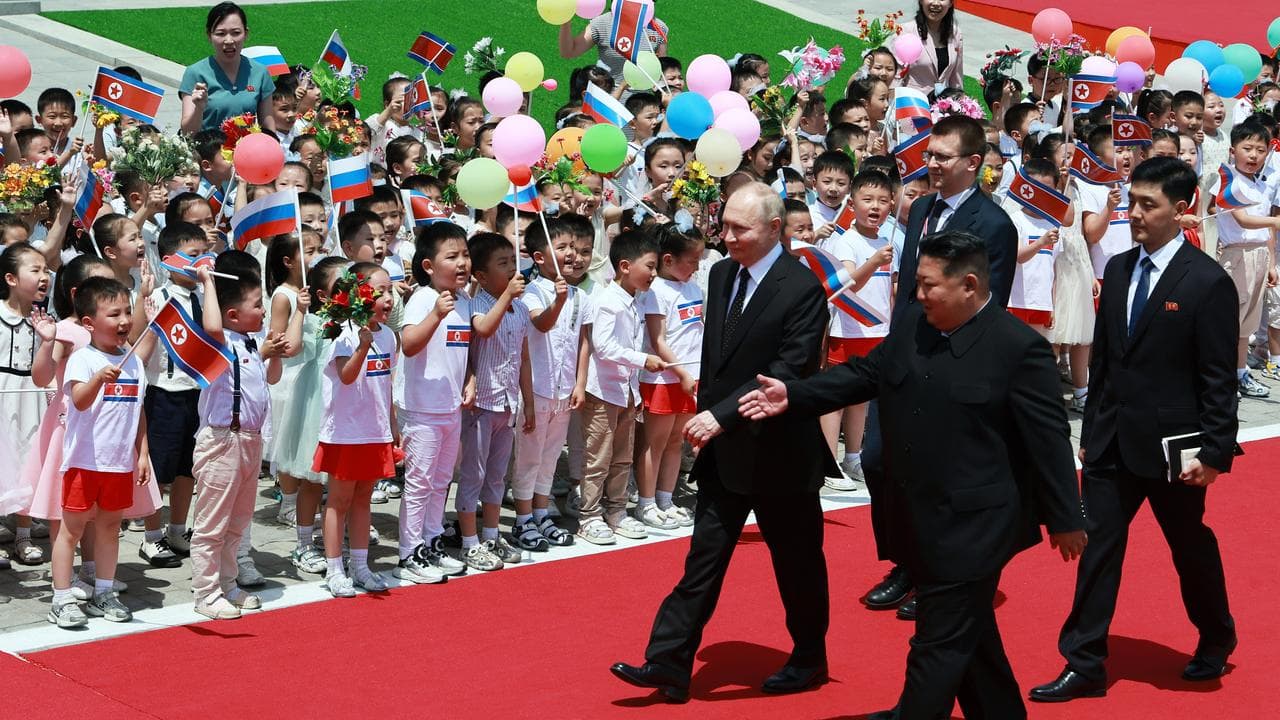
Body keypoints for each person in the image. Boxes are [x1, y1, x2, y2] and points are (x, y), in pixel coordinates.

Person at [740, 230, 1087, 719]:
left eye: (928, 285)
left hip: (975, 529)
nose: (917, 294)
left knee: (937, 645)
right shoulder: (914, 324)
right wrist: (793, 396)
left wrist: (1066, 518)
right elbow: (864, 375)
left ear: (969, 285)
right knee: (973, 641)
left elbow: (1049, 442)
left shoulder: (1018, 349)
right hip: (916, 516)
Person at [1030, 157, 1241, 702]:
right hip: (1110, 443)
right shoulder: (1120, 268)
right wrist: (1091, 427)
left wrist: (1214, 452)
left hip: (1176, 451)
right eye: (1132, 201)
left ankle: (1216, 637)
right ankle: (1085, 662)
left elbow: (1217, 378)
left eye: (1149, 204)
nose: (1136, 213)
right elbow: (1105, 362)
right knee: (1098, 548)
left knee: (1188, 547)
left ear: (1182, 207)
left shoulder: (1207, 282)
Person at [610, 183, 832, 702]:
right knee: (703, 559)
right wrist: (708, 413)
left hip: (782, 451)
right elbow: (717, 356)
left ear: (774, 229)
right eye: (724, 226)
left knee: (796, 562)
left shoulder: (801, 289)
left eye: (740, 229)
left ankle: (808, 657)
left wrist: (720, 416)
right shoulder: (722, 272)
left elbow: (788, 371)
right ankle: (668, 663)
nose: (725, 238)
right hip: (724, 450)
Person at [864, 114, 1018, 619]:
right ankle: (905, 560)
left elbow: (987, 306)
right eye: (928, 155)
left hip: (951, 364)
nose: (929, 164)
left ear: (972, 164)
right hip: (903, 352)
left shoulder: (993, 225)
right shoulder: (922, 207)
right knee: (879, 458)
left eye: (941, 157)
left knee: (935, 471)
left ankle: (935, 572)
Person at [48, 277, 156, 628]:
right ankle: (62, 597)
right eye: (114, 314)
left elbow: (138, 409)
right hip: (83, 463)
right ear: (90, 323)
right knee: (72, 529)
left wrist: (142, 453)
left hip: (119, 464)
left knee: (111, 528)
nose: (125, 321)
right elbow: (78, 401)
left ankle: (104, 592)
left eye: (127, 312)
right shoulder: (83, 359)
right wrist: (98, 380)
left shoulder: (134, 362)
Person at [189, 253, 284, 619]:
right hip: (222, 442)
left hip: (249, 441)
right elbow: (212, 326)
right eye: (257, 305)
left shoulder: (248, 343)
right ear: (232, 315)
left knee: (237, 523)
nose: (262, 311)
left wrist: (271, 353)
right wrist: (207, 281)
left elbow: (270, 377)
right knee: (212, 524)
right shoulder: (218, 341)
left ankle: (228, 583)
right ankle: (206, 591)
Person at [313, 262, 397, 598]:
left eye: (390, 290)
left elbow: (387, 386)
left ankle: (360, 565)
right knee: (339, 501)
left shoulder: (390, 336)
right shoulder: (341, 333)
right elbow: (347, 377)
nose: (388, 298)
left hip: (375, 433)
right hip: (346, 434)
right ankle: (334, 568)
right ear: (359, 296)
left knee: (364, 499)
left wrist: (391, 426)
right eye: (380, 291)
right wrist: (362, 345)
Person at [179, 2, 276, 134]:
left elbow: (268, 125)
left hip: (246, 152)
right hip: (208, 152)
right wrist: (199, 109)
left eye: (236, 33)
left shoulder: (260, 72)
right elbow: (188, 133)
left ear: (246, 34)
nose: (229, 40)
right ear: (209, 35)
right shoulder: (195, 73)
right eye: (221, 33)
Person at [557, 6, 668, 97]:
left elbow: (662, 71)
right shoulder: (603, 23)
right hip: (608, 100)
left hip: (643, 106)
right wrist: (565, 22)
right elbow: (569, 51)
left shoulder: (658, 27)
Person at [900, 0, 964, 95]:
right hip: (912, 102)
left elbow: (956, 78)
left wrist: (960, 100)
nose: (936, 3)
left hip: (943, 105)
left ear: (950, 3)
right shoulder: (906, 31)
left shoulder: (955, 33)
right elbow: (895, 74)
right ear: (921, 1)